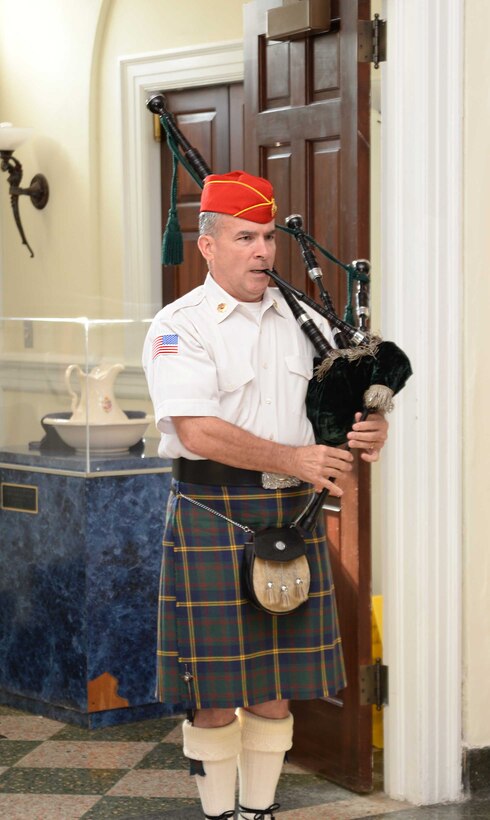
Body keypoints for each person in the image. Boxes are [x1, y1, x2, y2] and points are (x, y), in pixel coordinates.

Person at [142, 170, 388, 820]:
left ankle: (259, 811)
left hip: (290, 513)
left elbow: (363, 386)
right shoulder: (180, 326)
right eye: (245, 237)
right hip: (212, 515)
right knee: (217, 691)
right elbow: (196, 428)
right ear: (209, 246)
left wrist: (372, 422)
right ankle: (220, 813)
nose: (262, 252)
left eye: (269, 237)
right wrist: (295, 457)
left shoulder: (306, 320)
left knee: (276, 687)